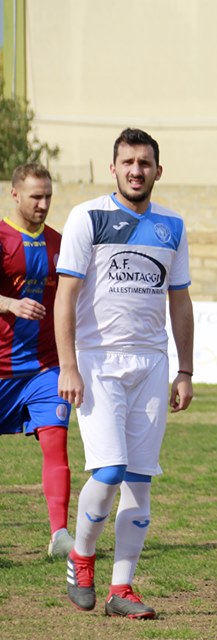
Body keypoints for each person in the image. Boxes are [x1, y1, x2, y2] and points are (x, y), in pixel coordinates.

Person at [55, 128, 194, 620]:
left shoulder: (172, 225)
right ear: (112, 168)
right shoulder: (87, 217)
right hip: (97, 364)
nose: (137, 170)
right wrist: (68, 364)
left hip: (152, 365)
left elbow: (179, 300)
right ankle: (82, 557)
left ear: (159, 169)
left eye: (145, 162)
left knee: (140, 480)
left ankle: (122, 588)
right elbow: (65, 297)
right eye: (128, 162)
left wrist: (186, 370)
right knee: (109, 471)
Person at [0, 163, 74, 557]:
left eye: (48, 196)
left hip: (45, 368)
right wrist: (10, 303)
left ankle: (60, 535)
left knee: (56, 442)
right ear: (15, 194)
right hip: (1, 369)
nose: (44, 204)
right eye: (36, 196)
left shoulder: (60, 244)